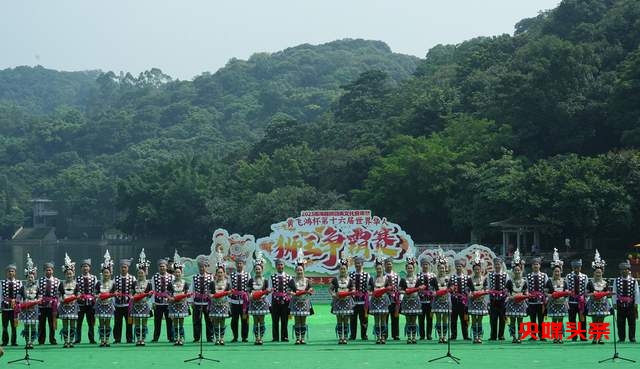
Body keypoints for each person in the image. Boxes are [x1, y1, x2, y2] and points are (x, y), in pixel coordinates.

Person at [586, 250, 610, 344]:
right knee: (594, 321)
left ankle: (600, 338)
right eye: (597, 272)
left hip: (603, 304)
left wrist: (604, 294)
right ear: (594, 273)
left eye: (599, 272)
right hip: (593, 304)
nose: (598, 274)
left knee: (601, 322)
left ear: (602, 273)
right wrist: (594, 294)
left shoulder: (605, 283)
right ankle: (594, 337)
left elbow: (607, 294)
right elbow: (587, 294)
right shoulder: (590, 283)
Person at [612, 261, 640, 343]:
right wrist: (614, 303)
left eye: (625, 269)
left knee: (632, 322)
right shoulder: (616, 280)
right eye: (621, 269)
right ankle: (621, 338)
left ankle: (632, 337)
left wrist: (636, 303)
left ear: (628, 270)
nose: (623, 271)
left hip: (630, 305)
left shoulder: (633, 280)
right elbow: (614, 292)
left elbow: (637, 292)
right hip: (620, 304)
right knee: (620, 322)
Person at [288, 257, 313, 344]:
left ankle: (302, 338)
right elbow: (288, 291)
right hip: (295, 302)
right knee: (297, 320)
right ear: (295, 271)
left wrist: (309, 292)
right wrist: (292, 294)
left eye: (301, 270)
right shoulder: (292, 281)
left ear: (303, 271)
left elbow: (311, 290)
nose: (299, 272)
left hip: (305, 302)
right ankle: (297, 338)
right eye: (298, 270)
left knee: (303, 321)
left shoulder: (307, 281)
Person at [545, 249, 568, 344]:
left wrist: (563, 296)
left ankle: (560, 337)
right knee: (554, 321)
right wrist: (552, 296)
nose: (557, 273)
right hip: (553, 303)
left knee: (561, 320)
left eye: (558, 271)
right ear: (553, 272)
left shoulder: (564, 282)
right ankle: (555, 337)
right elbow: (546, 293)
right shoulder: (549, 281)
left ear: (561, 272)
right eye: (555, 271)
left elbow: (566, 292)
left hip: (561, 303)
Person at [330, 256, 354, 344]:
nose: (342, 270)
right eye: (341, 269)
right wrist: (333, 295)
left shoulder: (350, 280)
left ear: (347, 269)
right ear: (339, 270)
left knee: (346, 320)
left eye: (344, 269)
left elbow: (353, 289)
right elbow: (330, 289)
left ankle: (346, 337)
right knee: (339, 320)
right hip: (338, 302)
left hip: (347, 302)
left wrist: (350, 293)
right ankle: (340, 337)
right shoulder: (335, 279)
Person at [247, 252, 270, 345]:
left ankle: (261, 338)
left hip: (262, 303)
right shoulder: (251, 280)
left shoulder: (265, 280)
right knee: (255, 320)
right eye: (256, 269)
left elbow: (266, 291)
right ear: (254, 269)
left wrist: (262, 295)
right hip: (253, 302)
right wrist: (250, 296)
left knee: (262, 320)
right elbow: (248, 291)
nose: (257, 270)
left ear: (262, 269)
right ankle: (256, 338)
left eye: (259, 269)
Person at [505, 248, 528, 344]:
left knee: (520, 321)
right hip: (512, 303)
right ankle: (514, 336)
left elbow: (526, 291)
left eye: (519, 270)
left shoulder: (524, 281)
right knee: (513, 321)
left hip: (521, 303)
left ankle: (520, 336)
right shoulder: (510, 281)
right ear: (513, 271)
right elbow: (507, 292)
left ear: (521, 271)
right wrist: (511, 297)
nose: (517, 272)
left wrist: (525, 295)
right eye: (515, 270)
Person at [111, 258, 136, 344]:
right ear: (120, 268)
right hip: (118, 305)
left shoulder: (133, 278)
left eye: (125, 267)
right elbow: (112, 290)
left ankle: (129, 339)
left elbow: (135, 289)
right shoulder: (116, 278)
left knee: (129, 322)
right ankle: (117, 339)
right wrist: (115, 292)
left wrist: (132, 295)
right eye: (122, 267)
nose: (123, 269)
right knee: (117, 323)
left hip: (128, 305)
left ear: (128, 268)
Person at [131, 250, 152, 346]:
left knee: (143, 323)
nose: (140, 275)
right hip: (135, 305)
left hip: (144, 305)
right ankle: (137, 339)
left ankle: (142, 339)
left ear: (145, 273)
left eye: (142, 273)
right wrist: (133, 297)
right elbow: (131, 294)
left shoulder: (149, 283)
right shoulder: (134, 283)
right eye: (139, 273)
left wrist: (145, 297)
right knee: (137, 324)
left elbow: (150, 295)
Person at [58, 254, 79, 348]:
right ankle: (66, 341)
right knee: (65, 324)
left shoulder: (76, 284)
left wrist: (75, 298)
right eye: (67, 273)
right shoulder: (61, 284)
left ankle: (71, 341)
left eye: (70, 273)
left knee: (73, 324)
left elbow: (78, 295)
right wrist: (62, 300)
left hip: (73, 306)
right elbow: (59, 295)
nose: (69, 275)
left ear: (73, 274)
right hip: (64, 306)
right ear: (64, 274)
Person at [368, 257, 391, 344]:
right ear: (375, 269)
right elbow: (369, 289)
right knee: (377, 319)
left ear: (383, 268)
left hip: (384, 300)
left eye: (380, 268)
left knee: (384, 319)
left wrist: (385, 291)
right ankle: (378, 337)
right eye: (377, 268)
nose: (379, 270)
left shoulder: (386, 278)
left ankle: (383, 337)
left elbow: (389, 289)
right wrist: (371, 293)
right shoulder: (372, 279)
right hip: (375, 300)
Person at [400, 257, 422, 344]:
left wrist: (416, 290)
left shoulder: (418, 279)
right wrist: (406, 291)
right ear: (406, 268)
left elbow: (420, 290)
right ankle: (409, 337)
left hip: (415, 300)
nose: (410, 269)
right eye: (408, 268)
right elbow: (400, 290)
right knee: (408, 320)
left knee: (414, 320)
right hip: (406, 301)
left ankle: (414, 337)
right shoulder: (403, 279)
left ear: (414, 268)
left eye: (411, 268)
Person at [74, 258, 97, 344]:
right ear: (81, 268)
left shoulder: (94, 278)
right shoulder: (77, 278)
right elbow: (75, 290)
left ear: (89, 268)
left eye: (87, 266)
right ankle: (77, 339)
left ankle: (91, 338)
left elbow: (96, 290)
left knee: (91, 322)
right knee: (79, 322)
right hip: (80, 303)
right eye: (83, 266)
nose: (85, 268)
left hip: (91, 303)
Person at [485, 256, 508, 341]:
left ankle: (501, 335)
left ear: (501, 264)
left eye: (499, 264)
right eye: (496, 264)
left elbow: (507, 288)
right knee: (493, 318)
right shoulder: (490, 275)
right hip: (493, 300)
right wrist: (487, 300)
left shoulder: (505, 275)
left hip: (502, 300)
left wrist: (506, 299)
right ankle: (493, 335)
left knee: (502, 318)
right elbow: (488, 288)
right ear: (494, 265)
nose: (497, 265)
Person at [167, 258, 190, 346]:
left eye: (178, 272)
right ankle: (176, 338)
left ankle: (181, 338)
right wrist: (170, 298)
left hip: (182, 304)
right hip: (173, 305)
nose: (177, 274)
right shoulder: (170, 283)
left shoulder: (185, 283)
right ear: (173, 273)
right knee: (175, 322)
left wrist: (183, 298)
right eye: (176, 272)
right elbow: (168, 294)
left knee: (181, 321)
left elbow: (187, 294)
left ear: (181, 273)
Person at [18, 254, 38, 349]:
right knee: (26, 327)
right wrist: (20, 304)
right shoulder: (22, 288)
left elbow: (40, 298)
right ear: (26, 277)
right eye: (29, 277)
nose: (30, 278)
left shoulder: (37, 288)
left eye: (32, 277)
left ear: (34, 277)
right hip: (25, 310)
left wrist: (35, 302)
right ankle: (27, 342)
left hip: (34, 309)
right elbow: (18, 299)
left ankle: (32, 342)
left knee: (33, 326)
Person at [151, 258, 174, 343]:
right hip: (158, 302)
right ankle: (156, 337)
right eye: (160, 266)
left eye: (163, 266)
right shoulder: (154, 277)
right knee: (157, 321)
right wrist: (153, 302)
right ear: (158, 267)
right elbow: (153, 290)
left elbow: (173, 290)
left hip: (169, 303)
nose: (162, 268)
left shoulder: (172, 277)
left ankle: (171, 337)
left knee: (170, 321)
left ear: (166, 267)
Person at [565, 258, 588, 342]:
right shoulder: (568, 276)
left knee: (582, 319)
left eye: (578, 267)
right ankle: (574, 336)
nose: (577, 269)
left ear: (580, 267)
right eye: (575, 267)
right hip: (571, 301)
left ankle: (583, 336)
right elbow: (566, 288)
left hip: (581, 302)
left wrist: (585, 300)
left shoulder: (584, 277)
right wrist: (566, 301)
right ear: (572, 268)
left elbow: (586, 289)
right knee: (572, 319)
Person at [430, 252, 451, 343]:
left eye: (443, 268)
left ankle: (445, 336)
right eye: (440, 268)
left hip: (446, 300)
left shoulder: (449, 278)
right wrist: (434, 293)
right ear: (437, 268)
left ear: (445, 268)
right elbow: (431, 290)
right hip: (437, 301)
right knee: (438, 318)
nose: (441, 269)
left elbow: (451, 289)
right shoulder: (434, 279)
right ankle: (440, 336)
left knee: (445, 319)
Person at [209, 259, 231, 345]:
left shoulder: (227, 284)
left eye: (221, 272)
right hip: (215, 304)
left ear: (224, 273)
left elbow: (229, 295)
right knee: (215, 322)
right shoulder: (212, 283)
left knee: (222, 321)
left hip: (223, 305)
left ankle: (222, 338)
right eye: (218, 272)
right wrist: (212, 296)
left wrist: (228, 294)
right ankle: (217, 338)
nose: (220, 274)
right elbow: (210, 294)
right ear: (216, 273)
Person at [468, 252, 488, 344]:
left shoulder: (484, 279)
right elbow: (467, 290)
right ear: (473, 270)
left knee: (479, 320)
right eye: (475, 269)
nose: (477, 271)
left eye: (478, 269)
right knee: (473, 320)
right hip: (473, 302)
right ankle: (474, 336)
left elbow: (486, 290)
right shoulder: (470, 279)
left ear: (481, 269)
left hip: (481, 301)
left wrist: (480, 294)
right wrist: (470, 294)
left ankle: (479, 337)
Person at [95, 251, 115, 347]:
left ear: (110, 274)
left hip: (108, 305)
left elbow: (114, 294)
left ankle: (107, 340)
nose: (106, 274)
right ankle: (102, 340)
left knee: (107, 323)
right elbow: (95, 293)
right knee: (101, 323)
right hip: (100, 305)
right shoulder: (98, 283)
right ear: (102, 273)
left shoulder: (112, 284)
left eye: (107, 273)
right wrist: (98, 296)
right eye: (104, 273)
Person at [37, 261, 60, 345]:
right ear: (44, 271)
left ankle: (52, 339)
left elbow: (59, 293)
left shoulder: (57, 281)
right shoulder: (40, 281)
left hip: (52, 306)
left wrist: (56, 302)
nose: (48, 272)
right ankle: (41, 340)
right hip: (42, 306)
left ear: (53, 271)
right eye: (47, 270)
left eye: (50, 270)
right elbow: (38, 292)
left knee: (52, 323)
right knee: (41, 324)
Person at [192, 257, 213, 343]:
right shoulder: (195, 277)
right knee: (196, 321)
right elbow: (192, 289)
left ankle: (210, 337)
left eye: (203, 266)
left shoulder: (210, 277)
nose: (201, 268)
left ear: (205, 267)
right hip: (197, 302)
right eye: (200, 267)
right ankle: (197, 337)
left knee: (209, 321)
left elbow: (212, 290)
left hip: (207, 303)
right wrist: (192, 301)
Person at [269, 258, 291, 342]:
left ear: (284, 266)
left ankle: (284, 336)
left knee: (284, 320)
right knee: (275, 320)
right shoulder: (272, 277)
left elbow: (290, 291)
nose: (280, 266)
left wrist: (290, 302)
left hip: (286, 302)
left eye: (281, 264)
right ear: (276, 266)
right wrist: (270, 304)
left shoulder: (289, 277)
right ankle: (275, 337)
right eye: (278, 265)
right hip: (275, 301)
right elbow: (270, 290)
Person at [229, 256, 250, 343]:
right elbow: (230, 288)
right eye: (238, 263)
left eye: (241, 263)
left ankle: (244, 337)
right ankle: (235, 336)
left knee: (245, 319)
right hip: (234, 301)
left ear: (243, 264)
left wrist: (249, 300)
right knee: (234, 320)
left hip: (244, 302)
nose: (239, 265)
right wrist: (229, 301)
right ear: (235, 264)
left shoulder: (247, 275)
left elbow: (249, 288)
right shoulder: (232, 275)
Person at [448, 259, 470, 340]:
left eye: (460, 266)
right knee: (453, 320)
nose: (458, 267)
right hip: (454, 303)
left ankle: (466, 335)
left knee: (464, 319)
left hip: (464, 303)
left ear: (462, 267)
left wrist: (468, 293)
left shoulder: (467, 278)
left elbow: (471, 288)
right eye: (457, 266)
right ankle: (453, 335)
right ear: (455, 267)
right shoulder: (452, 278)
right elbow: (448, 289)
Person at [526, 256, 548, 338]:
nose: (535, 266)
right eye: (534, 264)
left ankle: (542, 335)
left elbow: (546, 287)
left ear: (540, 266)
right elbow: (527, 288)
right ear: (532, 266)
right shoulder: (528, 276)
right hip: (531, 301)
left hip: (541, 301)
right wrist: (528, 295)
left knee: (541, 319)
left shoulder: (544, 275)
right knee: (532, 319)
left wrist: (544, 297)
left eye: (537, 264)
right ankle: (533, 335)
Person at [349, 256, 370, 341]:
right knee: (352, 319)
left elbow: (370, 287)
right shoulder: (351, 275)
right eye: (356, 263)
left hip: (363, 302)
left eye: (359, 263)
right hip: (353, 301)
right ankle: (352, 335)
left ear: (362, 264)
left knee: (364, 319)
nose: (357, 265)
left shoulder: (366, 275)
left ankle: (364, 335)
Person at [1, 264, 22, 347]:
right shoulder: (2, 282)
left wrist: (18, 303)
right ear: (7, 273)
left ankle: (14, 341)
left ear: (15, 273)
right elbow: (1, 295)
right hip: (5, 308)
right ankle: (5, 341)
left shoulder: (19, 282)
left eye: (12, 271)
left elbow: (20, 295)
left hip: (14, 308)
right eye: (9, 271)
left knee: (14, 326)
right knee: (5, 326)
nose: (10, 272)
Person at [417, 258, 434, 340]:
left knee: (430, 318)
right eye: (424, 264)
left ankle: (429, 334)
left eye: (427, 264)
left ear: (429, 265)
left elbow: (435, 287)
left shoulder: (433, 276)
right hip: (421, 301)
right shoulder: (418, 275)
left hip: (430, 301)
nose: (425, 266)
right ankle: (422, 335)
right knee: (421, 319)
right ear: (421, 265)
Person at [383, 258, 400, 340]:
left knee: (395, 317)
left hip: (394, 300)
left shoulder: (396, 276)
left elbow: (398, 288)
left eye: (390, 264)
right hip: (385, 300)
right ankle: (384, 335)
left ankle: (395, 334)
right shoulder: (382, 275)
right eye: (387, 264)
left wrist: (399, 299)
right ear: (384, 265)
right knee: (384, 318)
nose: (389, 265)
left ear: (392, 265)